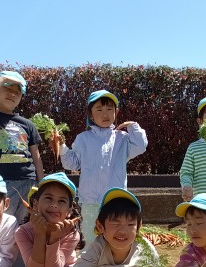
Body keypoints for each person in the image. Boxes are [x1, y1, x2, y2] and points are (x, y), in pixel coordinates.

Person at [60, 89, 147, 246]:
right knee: (90, 236)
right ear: (91, 114)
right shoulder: (83, 139)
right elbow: (71, 163)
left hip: (115, 199)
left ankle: (112, 261)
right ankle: (92, 261)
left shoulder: (122, 138)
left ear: (116, 112)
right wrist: (61, 146)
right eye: (99, 110)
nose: (105, 114)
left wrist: (133, 126)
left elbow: (140, 146)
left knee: (115, 236)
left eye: (109, 109)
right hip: (90, 200)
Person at [0, 70, 44, 227]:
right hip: (1, 183)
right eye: (7, 88)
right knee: (1, 227)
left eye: (17, 92)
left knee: (26, 228)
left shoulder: (27, 124)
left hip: (29, 183)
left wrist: (42, 185)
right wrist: (4, 78)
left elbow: (36, 156)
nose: (12, 94)